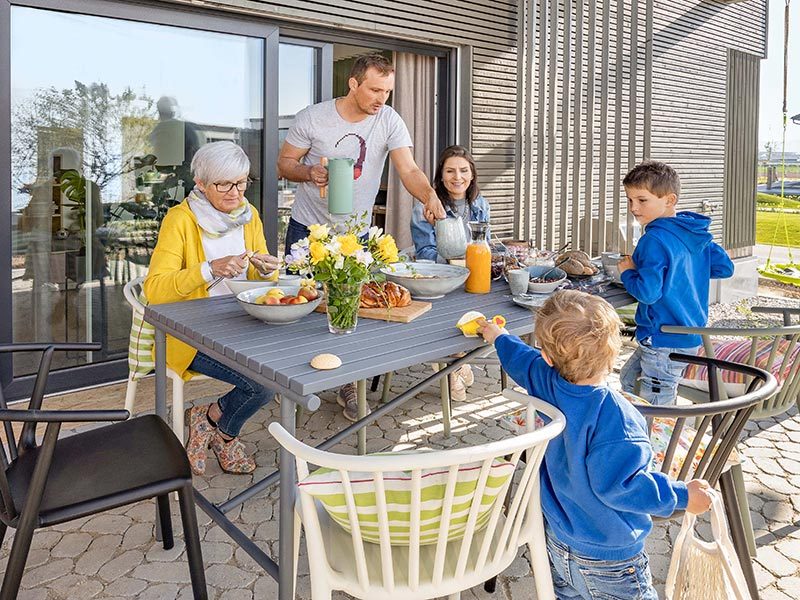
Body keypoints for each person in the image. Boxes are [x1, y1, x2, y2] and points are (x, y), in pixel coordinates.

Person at [477, 290, 713, 600]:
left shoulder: (544, 379)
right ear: (613, 354)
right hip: (611, 557)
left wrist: (498, 335)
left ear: (548, 357)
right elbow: (623, 487)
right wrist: (683, 496)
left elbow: (520, 358)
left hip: (559, 542)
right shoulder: (618, 418)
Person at [277, 53, 446, 421]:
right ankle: (287, 385)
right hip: (308, 230)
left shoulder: (388, 119)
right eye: (374, 89)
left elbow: (409, 169)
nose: (381, 98)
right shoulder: (313, 117)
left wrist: (429, 194)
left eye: (387, 91)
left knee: (352, 311)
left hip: (355, 237)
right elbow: (284, 164)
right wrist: (310, 174)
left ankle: (347, 385)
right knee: (298, 311)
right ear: (353, 84)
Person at [144, 141, 281, 475]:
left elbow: (262, 278)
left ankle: (209, 421)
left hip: (240, 322)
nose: (235, 192)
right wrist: (209, 269)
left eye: (241, 182)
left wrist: (267, 269)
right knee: (262, 383)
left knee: (282, 369)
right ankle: (225, 434)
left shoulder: (249, 216)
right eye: (224, 184)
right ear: (201, 184)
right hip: (189, 333)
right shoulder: (180, 221)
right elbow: (155, 290)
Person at [617, 161, 734, 406]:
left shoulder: (654, 239)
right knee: (629, 379)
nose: (633, 208)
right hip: (687, 335)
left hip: (663, 337)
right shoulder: (691, 233)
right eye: (630, 200)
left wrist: (628, 272)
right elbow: (724, 267)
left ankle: (658, 442)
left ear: (669, 200)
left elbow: (648, 293)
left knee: (658, 403)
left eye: (642, 200)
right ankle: (631, 428)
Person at [410, 145, 490, 401]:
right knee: (448, 318)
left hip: (473, 279)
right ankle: (454, 365)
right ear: (441, 176)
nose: (458, 177)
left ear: (473, 174)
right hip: (439, 283)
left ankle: (458, 362)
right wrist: (461, 263)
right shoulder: (424, 207)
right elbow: (426, 255)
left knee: (487, 315)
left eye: (464, 170)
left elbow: (484, 245)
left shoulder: (479, 205)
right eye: (451, 171)